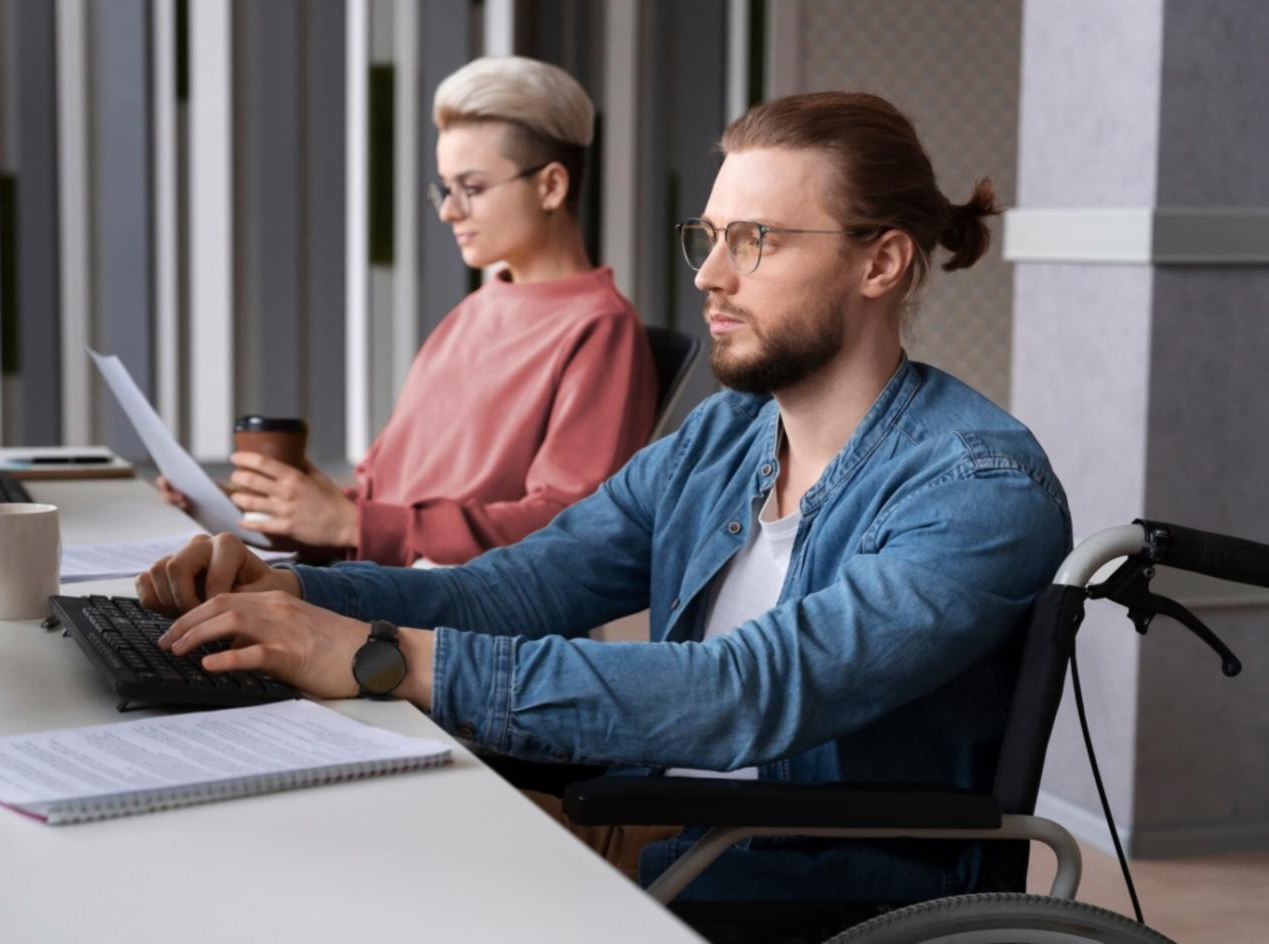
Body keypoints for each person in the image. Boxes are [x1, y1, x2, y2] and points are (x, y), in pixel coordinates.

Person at [138, 92, 1072, 903]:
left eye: (755, 240)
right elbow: (505, 592)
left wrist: (382, 658)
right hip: (663, 824)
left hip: (793, 879)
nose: (708, 274)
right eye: (707, 238)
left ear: (880, 265)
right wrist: (286, 594)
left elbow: (747, 693)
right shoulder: (720, 438)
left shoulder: (980, 487)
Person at [160, 56, 657, 566]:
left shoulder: (600, 330)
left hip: (444, 629)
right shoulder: (472, 314)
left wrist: (351, 522)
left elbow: (569, 528)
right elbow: (384, 514)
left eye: (473, 188)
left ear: (551, 186)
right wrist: (271, 513)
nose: (448, 210)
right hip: (371, 594)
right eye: (445, 187)